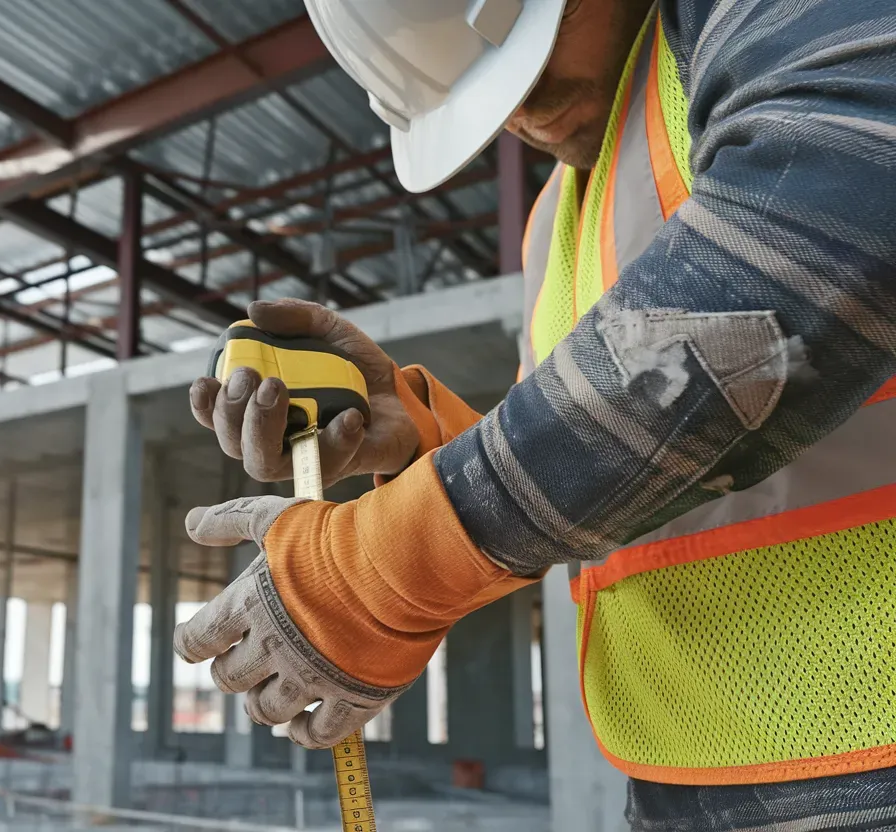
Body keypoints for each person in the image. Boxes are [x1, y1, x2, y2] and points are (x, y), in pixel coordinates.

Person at [175, 0, 896, 828]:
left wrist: (389, 564)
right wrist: (427, 440)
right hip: (685, 768)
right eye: (485, 95)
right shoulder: (555, 217)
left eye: (529, 56)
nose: (521, 108)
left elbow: (813, 249)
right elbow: (621, 460)